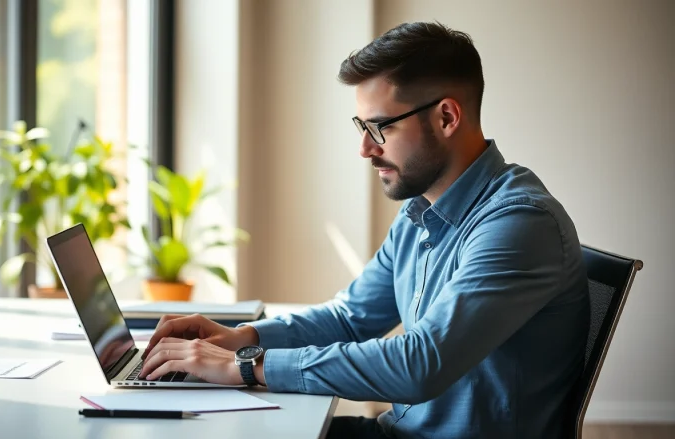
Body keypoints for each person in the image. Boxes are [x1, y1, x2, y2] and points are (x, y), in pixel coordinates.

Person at [139, 21, 589, 439]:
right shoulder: (420, 212)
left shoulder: (519, 223)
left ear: (447, 118)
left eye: (379, 127)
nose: (365, 148)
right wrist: (245, 337)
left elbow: (421, 364)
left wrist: (247, 365)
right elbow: (349, 317)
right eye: (362, 126)